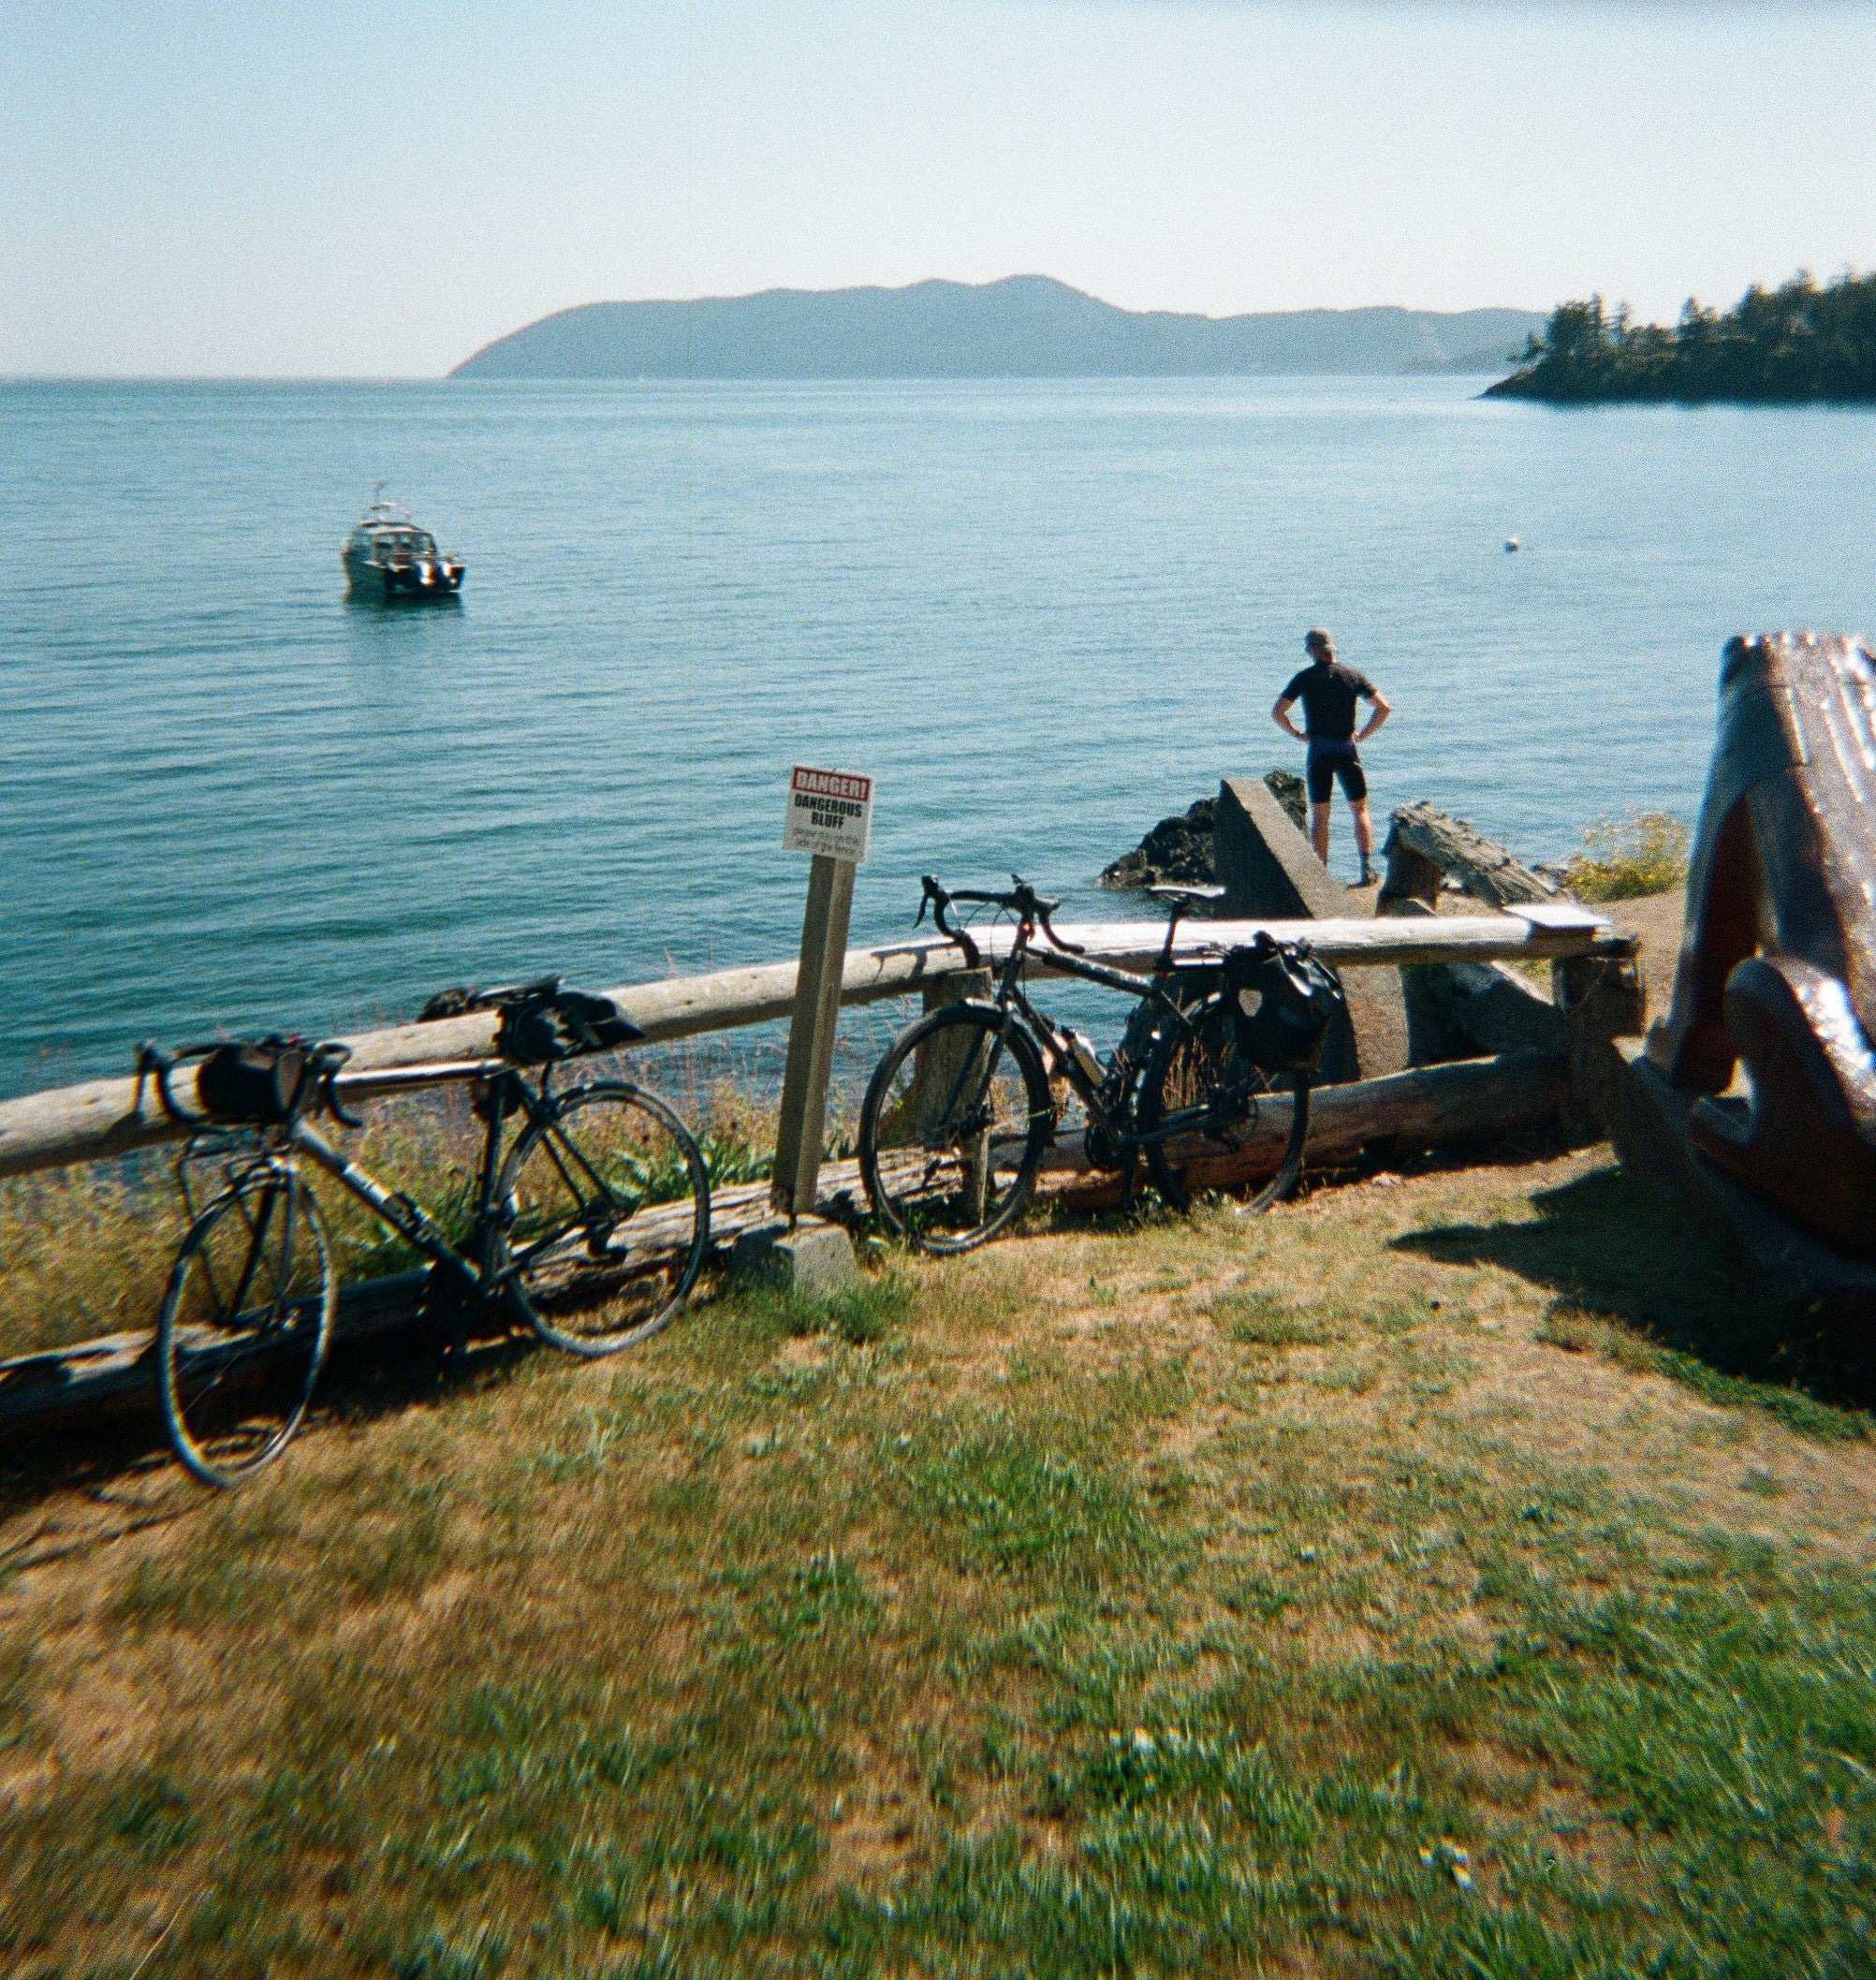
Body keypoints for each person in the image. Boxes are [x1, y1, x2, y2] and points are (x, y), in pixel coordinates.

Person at [1271, 628, 1391, 886]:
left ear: (1313, 650)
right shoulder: (1352, 676)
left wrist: (1297, 734)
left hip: (1319, 751)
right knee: (1359, 810)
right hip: (1347, 748)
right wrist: (1363, 734)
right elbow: (1383, 707)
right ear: (1330, 649)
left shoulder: (1304, 678)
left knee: (1320, 816)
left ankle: (1321, 875)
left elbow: (1278, 712)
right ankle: (1366, 869)